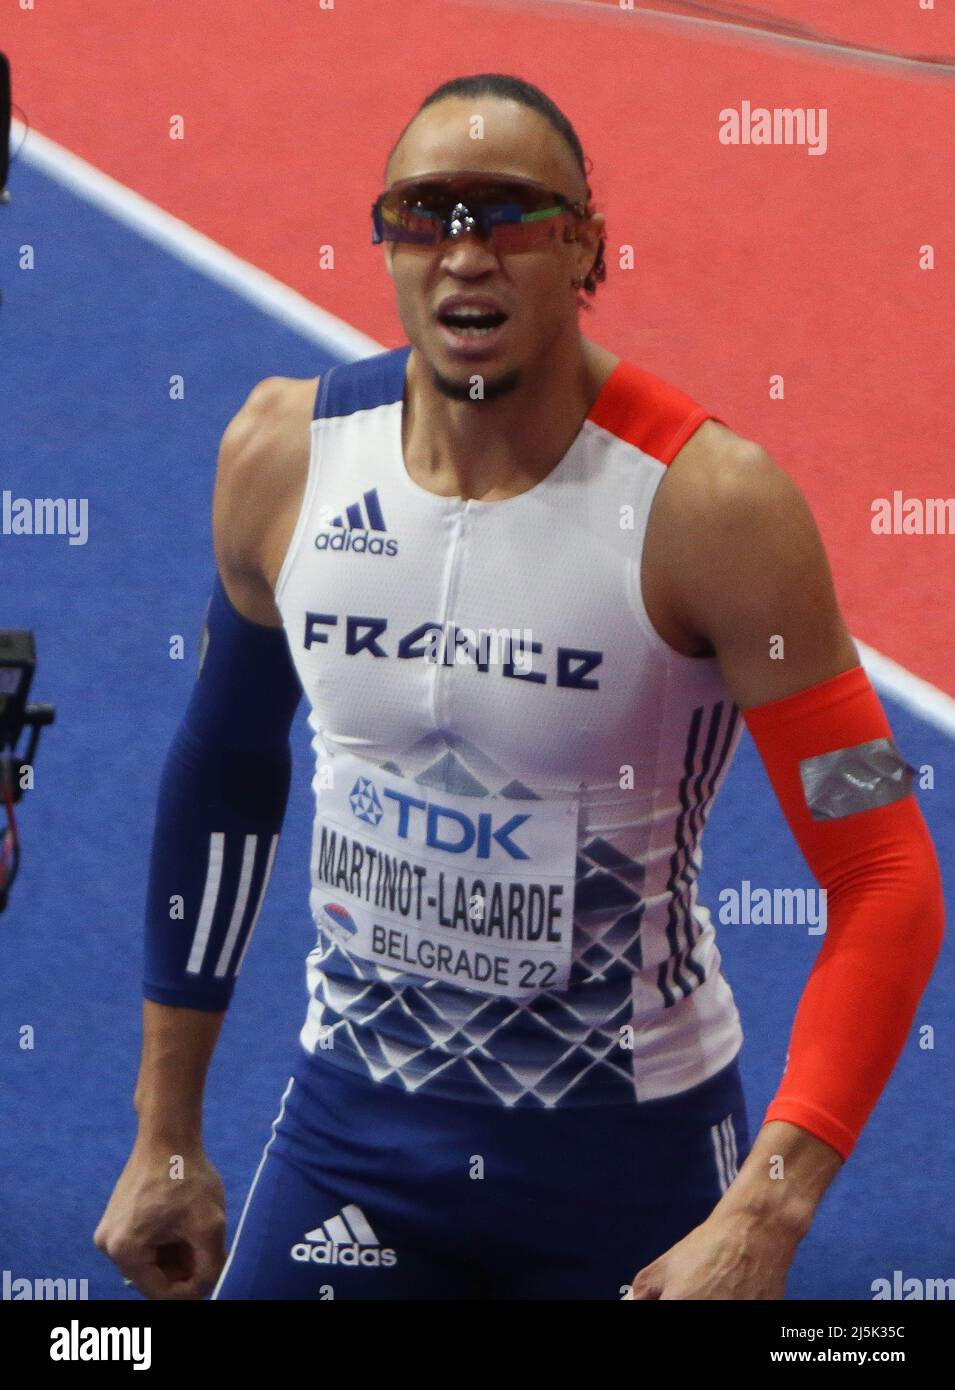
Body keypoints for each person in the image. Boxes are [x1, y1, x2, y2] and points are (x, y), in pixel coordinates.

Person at [94, 73, 944, 1301]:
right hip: (351, 1142)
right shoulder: (282, 461)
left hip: (629, 1162)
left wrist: (764, 1215)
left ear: (586, 243)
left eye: (508, 216)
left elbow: (885, 869)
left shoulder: (716, 508)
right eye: (423, 214)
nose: (462, 255)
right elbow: (224, 775)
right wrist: (164, 1127)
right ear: (383, 239)